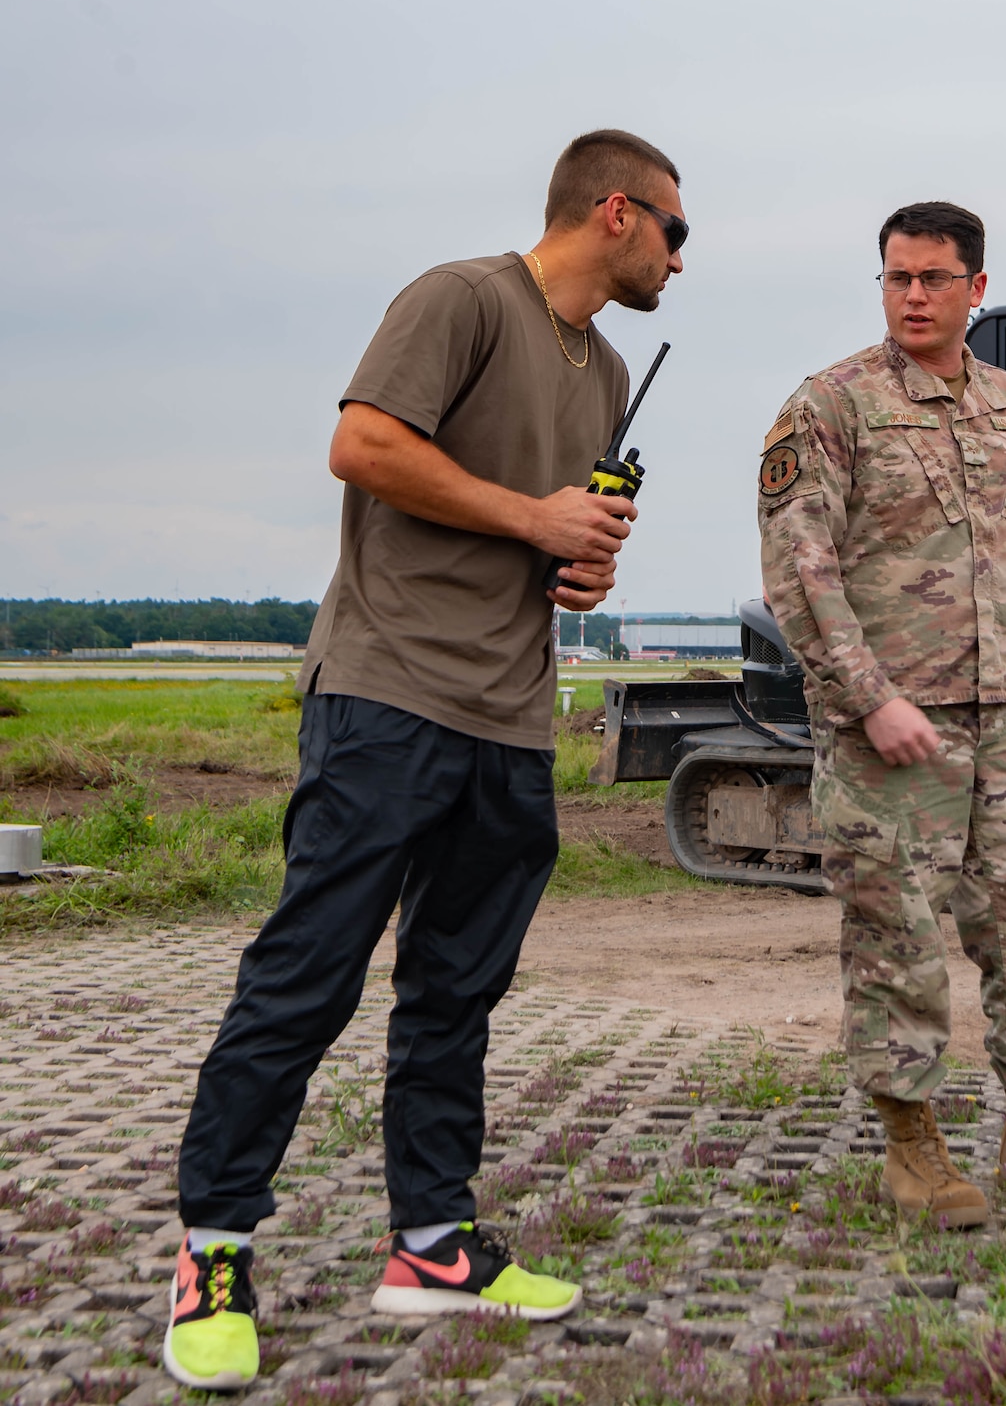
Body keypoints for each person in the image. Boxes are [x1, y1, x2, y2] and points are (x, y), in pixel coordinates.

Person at [163, 129, 687, 1391]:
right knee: (307, 974)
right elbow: (364, 446)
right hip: (388, 690)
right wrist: (531, 512)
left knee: (456, 990)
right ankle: (214, 1253)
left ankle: (431, 1244)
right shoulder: (459, 297)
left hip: (509, 716)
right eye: (676, 229)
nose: (683, 255)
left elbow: (554, 535)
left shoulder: (610, 365)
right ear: (614, 212)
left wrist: (586, 559)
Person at [757, 201, 1006, 1230]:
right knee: (896, 934)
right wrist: (871, 698)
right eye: (896, 278)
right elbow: (800, 575)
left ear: (975, 288)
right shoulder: (831, 405)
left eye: (934, 278)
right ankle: (911, 1146)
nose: (913, 296)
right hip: (889, 728)